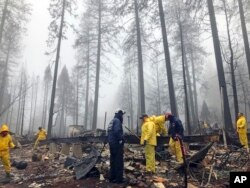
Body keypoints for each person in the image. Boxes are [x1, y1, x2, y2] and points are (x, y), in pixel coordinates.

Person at [107, 109, 126, 184]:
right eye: (122, 114)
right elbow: (117, 131)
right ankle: (119, 179)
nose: (122, 116)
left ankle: (112, 177)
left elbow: (109, 132)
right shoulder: (117, 121)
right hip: (117, 144)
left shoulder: (112, 121)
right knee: (119, 161)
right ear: (119, 114)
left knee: (113, 160)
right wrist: (121, 138)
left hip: (111, 143)